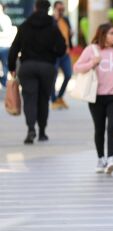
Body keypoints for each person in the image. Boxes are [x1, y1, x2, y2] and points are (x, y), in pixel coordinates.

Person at [73, 23, 113, 174]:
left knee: (112, 128)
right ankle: (100, 158)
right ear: (103, 35)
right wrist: (91, 63)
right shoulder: (91, 50)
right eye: (111, 33)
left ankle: (111, 159)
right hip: (96, 97)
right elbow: (77, 67)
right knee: (99, 129)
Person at [8, 0, 66, 144]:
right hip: (47, 67)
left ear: (35, 8)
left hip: (27, 67)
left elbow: (14, 48)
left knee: (29, 99)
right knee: (43, 100)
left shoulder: (25, 26)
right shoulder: (53, 26)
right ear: (48, 9)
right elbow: (62, 48)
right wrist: (52, 55)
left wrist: (12, 68)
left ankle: (30, 129)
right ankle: (42, 132)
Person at [51, 1, 73, 110]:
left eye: (62, 9)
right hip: (54, 54)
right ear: (54, 9)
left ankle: (59, 97)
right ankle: (53, 100)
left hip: (65, 53)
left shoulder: (66, 19)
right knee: (53, 77)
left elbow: (68, 33)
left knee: (68, 74)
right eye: (59, 9)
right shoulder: (51, 20)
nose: (61, 12)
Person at [0, 3, 13, 88]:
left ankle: (4, 82)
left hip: (4, 46)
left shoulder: (6, 19)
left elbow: (9, 33)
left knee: (5, 66)